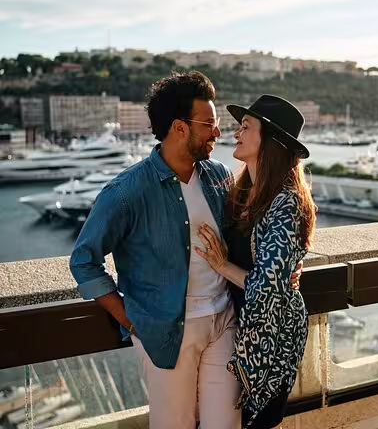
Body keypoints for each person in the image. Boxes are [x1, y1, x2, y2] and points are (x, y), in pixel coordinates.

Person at [69, 72, 301, 429]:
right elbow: (84, 262)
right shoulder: (127, 192)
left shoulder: (218, 177)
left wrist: (282, 272)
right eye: (209, 123)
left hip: (224, 323)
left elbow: (252, 235)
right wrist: (132, 321)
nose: (218, 132)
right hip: (166, 335)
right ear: (180, 128)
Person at [195, 94, 315, 428]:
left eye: (246, 127)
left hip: (270, 339)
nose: (236, 133)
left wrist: (221, 266)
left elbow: (267, 285)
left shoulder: (286, 204)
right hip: (236, 328)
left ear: (270, 141)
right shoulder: (241, 193)